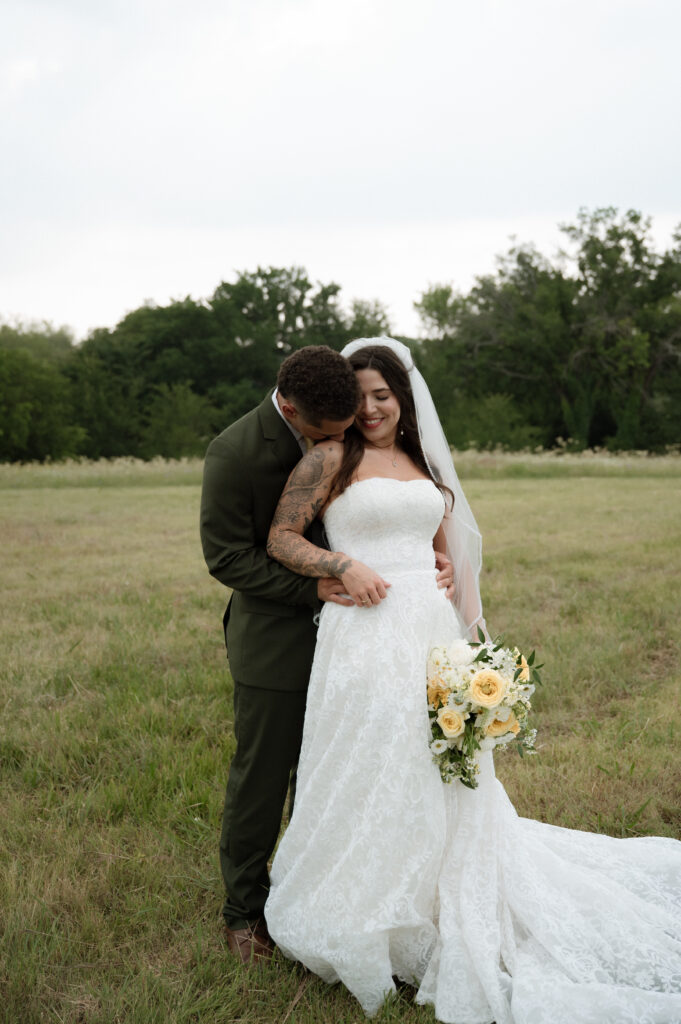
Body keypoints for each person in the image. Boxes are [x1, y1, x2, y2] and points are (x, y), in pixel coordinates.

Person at [263, 337, 681, 1024]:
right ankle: (367, 897)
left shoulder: (421, 462)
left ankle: (437, 889)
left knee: (437, 764)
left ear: (401, 398)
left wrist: (444, 569)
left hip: (429, 630)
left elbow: (432, 539)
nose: (370, 409)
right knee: (370, 760)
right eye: (359, 397)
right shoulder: (329, 456)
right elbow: (281, 537)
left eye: (382, 395)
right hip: (362, 633)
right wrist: (339, 567)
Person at [199, 343, 457, 966]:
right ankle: (244, 912)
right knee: (265, 773)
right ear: (291, 408)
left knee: (364, 764)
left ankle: (365, 883)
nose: (356, 426)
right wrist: (323, 579)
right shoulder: (234, 452)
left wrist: (429, 559)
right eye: (331, 429)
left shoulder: (347, 413)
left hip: (384, 624)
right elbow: (229, 558)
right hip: (280, 634)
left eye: (375, 403)